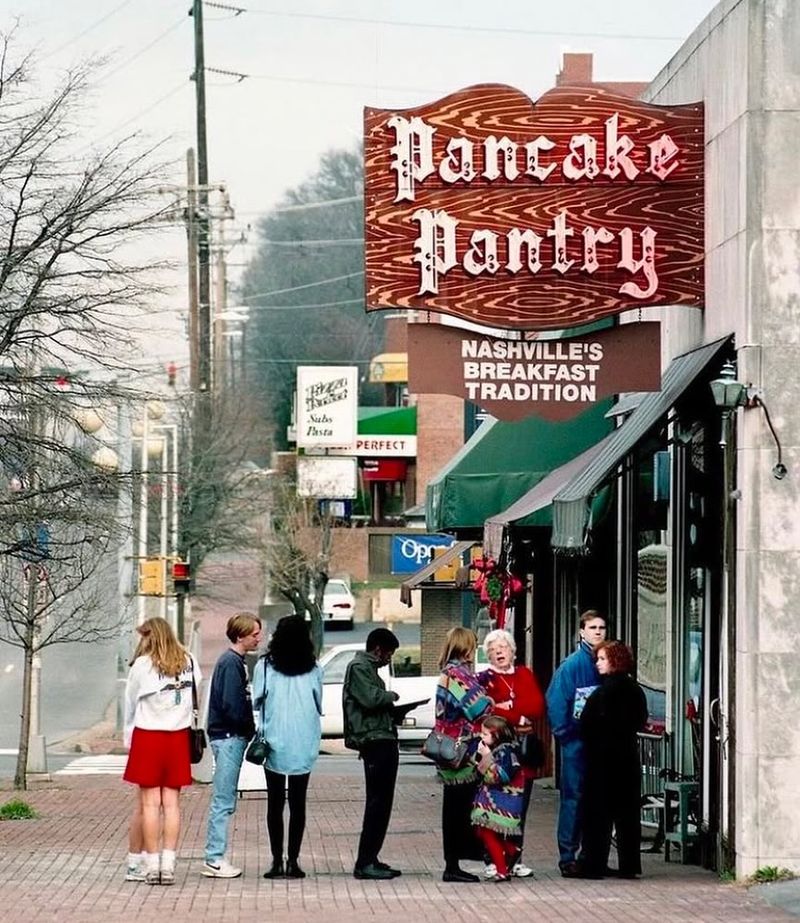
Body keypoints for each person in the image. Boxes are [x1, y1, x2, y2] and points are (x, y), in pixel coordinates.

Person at [123, 616, 202, 886]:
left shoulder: (143, 666)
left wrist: (127, 737)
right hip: (178, 736)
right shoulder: (188, 661)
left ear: (149, 636)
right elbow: (197, 690)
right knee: (172, 805)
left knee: (149, 805)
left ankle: (151, 864)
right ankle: (168, 864)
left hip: (148, 735)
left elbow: (130, 704)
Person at [251, 615, 323, 879]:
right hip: (303, 742)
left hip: (274, 742)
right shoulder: (314, 667)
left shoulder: (266, 666)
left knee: (274, 804)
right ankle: (293, 861)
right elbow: (318, 702)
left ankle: (275, 861)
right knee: (298, 804)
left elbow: (258, 700)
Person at [477, 628, 545, 879]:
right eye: (493, 650)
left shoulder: (524, 674)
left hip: (523, 752)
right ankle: (492, 860)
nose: (498, 653)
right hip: (497, 755)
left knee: (519, 807)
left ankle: (515, 859)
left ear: (512, 651)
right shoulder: (485, 678)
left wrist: (507, 708)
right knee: (493, 806)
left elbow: (537, 706)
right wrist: (514, 713)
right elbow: (487, 714)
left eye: (502, 648)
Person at [545, 609, 607, 877]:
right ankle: (568, 856)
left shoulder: (607, 662)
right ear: (581, 631)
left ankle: (591, 856)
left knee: (596, 800)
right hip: (577, 744)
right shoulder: (571, 666)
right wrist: (568, 737)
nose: (597, 632)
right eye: (592, 627)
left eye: (601, 627)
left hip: (600, 746)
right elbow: (556, 704)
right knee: (574, 799)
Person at [579, 640, 648, 879]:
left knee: (598, 814)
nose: (597, 664)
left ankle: (594, 864)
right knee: (628, 815)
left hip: (601, 760)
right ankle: (630, 865)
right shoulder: (635, 690)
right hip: (627, 758)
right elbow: (640, 720)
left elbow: (586, 724)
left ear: (614, 661)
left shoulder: (601, 693)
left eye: (602, 659)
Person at [202, 612, 263, 879]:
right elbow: (231, 703)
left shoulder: (234, 662)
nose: (258, 638)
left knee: (225, 798)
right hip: (228, 736)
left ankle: (215, 856)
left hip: (228, 735)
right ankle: (214, 857)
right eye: (254, 634)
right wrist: (247, 727)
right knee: (224, 799)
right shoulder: (231, 663)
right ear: (241, 636)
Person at [343, 627, 403, 881]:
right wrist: (390, 696)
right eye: (389, 653)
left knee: (382, 802)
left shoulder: (368, 670)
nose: (389, 659)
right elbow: (369, 699)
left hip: (382, 737)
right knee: (377, 802)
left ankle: (371, 857)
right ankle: (365, 861)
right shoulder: (359, 667)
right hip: (375, 741)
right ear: (378, 649)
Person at [435, 626, 493, 884]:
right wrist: (491, 699)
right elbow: (479, 708)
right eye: (473, 644)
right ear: (465, 647)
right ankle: (453, 865)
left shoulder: (447, 673)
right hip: (461, 752)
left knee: (455, 807)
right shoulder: (458, 675)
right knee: (458, 809)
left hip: (447, 748)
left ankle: (457, 859)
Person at [471, 715, 527, 882]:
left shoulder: (504, 751)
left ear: (496, 735)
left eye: (485, 734)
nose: (481, 736)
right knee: (482, 831)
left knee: (487, 832)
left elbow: (498, 776)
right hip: (495, 799)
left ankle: (502, 869)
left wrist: (486, 756)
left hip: (501, 800)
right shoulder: (504, 749)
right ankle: (510, 850)